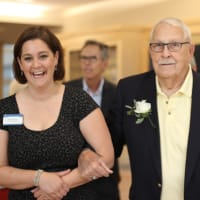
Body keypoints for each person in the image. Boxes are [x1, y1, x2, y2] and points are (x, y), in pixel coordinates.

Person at [78, 17, 200, 200]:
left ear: (190, 51)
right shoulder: (130, 90)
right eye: (157, 46)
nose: (165, 53)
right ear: (151, 51)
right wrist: (86, 152)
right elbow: (109, 139)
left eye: (174, 45)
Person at [0, 26, 114, 200]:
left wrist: (60, 185)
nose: (36, 65)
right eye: (28, 58)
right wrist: (40, 178)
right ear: (20, 64)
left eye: (43, 56)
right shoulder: (5, 109)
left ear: (56, 57)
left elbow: (106, 158)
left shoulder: (78, 101)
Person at [65, 40, 121, 200]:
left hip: (106, 175)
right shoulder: (66, 91)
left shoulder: (117, 93)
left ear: (104, 63)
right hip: (73, 173)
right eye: (83, 58)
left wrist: (97, 155)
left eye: (92, 58)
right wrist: (83, 152)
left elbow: (117, 134)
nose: (87, 63)